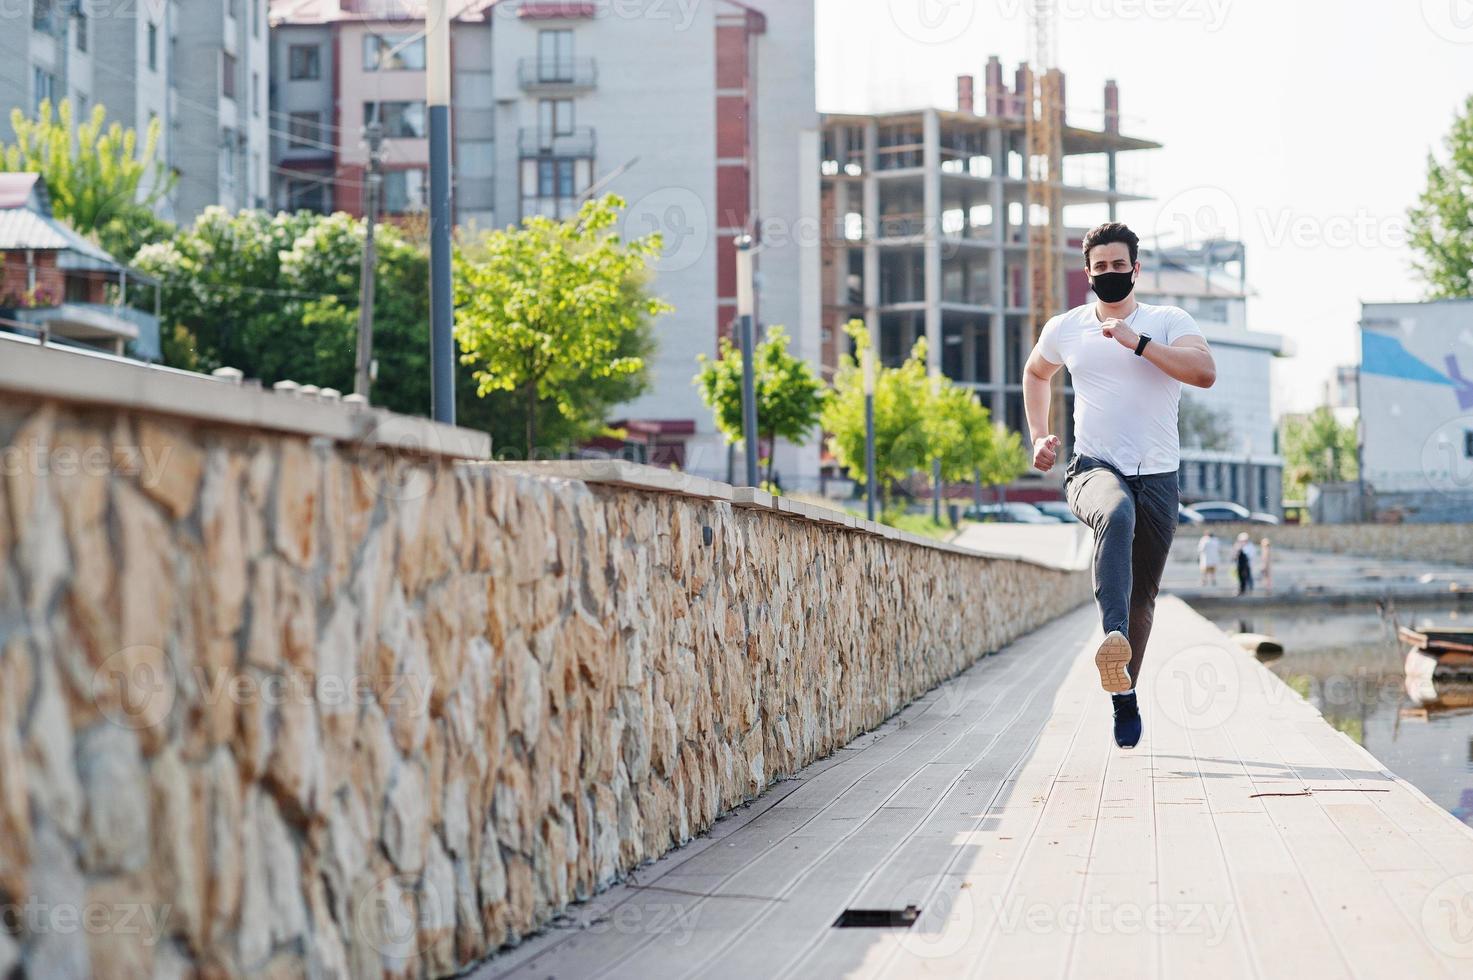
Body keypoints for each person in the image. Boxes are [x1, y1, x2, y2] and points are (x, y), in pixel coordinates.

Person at [1024, 222, 1217, 749]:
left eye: (1118, 265)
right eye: (1099, 267)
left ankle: (1123, 692)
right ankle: (1112, 636)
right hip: (1093, 467)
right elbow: (1036, 373)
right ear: (1087, 272)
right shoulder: (1066, 327)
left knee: (1145, 596)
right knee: (1115, 514)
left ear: (1136, 268)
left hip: (1158, 475)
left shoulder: (1167, 320)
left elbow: (1203, 372)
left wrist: (1138, 343)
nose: (1109, 274)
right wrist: (1040, 436)